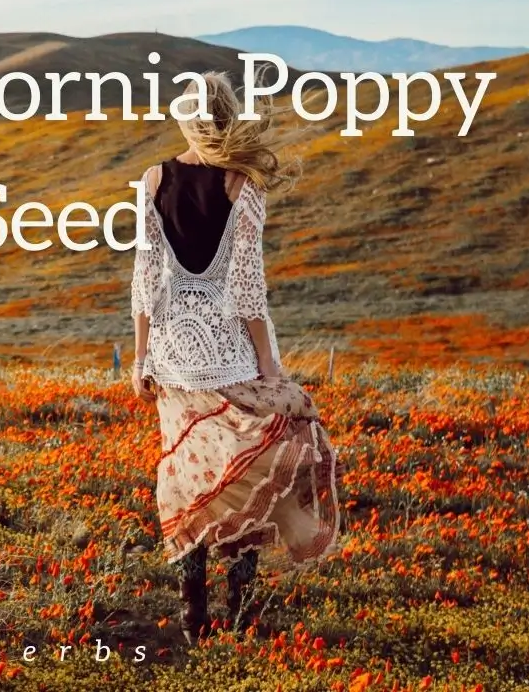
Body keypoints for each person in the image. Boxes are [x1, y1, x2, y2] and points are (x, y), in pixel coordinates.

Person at [129, 69, 341, 641]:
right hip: (228, 355)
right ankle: (238, 604)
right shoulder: (240, 187)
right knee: (252, 469)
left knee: (185, 476)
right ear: (227, 118)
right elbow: (249, 289)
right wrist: (270, 366)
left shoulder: (152, 180)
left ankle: (191, 609)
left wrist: (141, 358)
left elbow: (145, 280)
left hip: (173, 356)